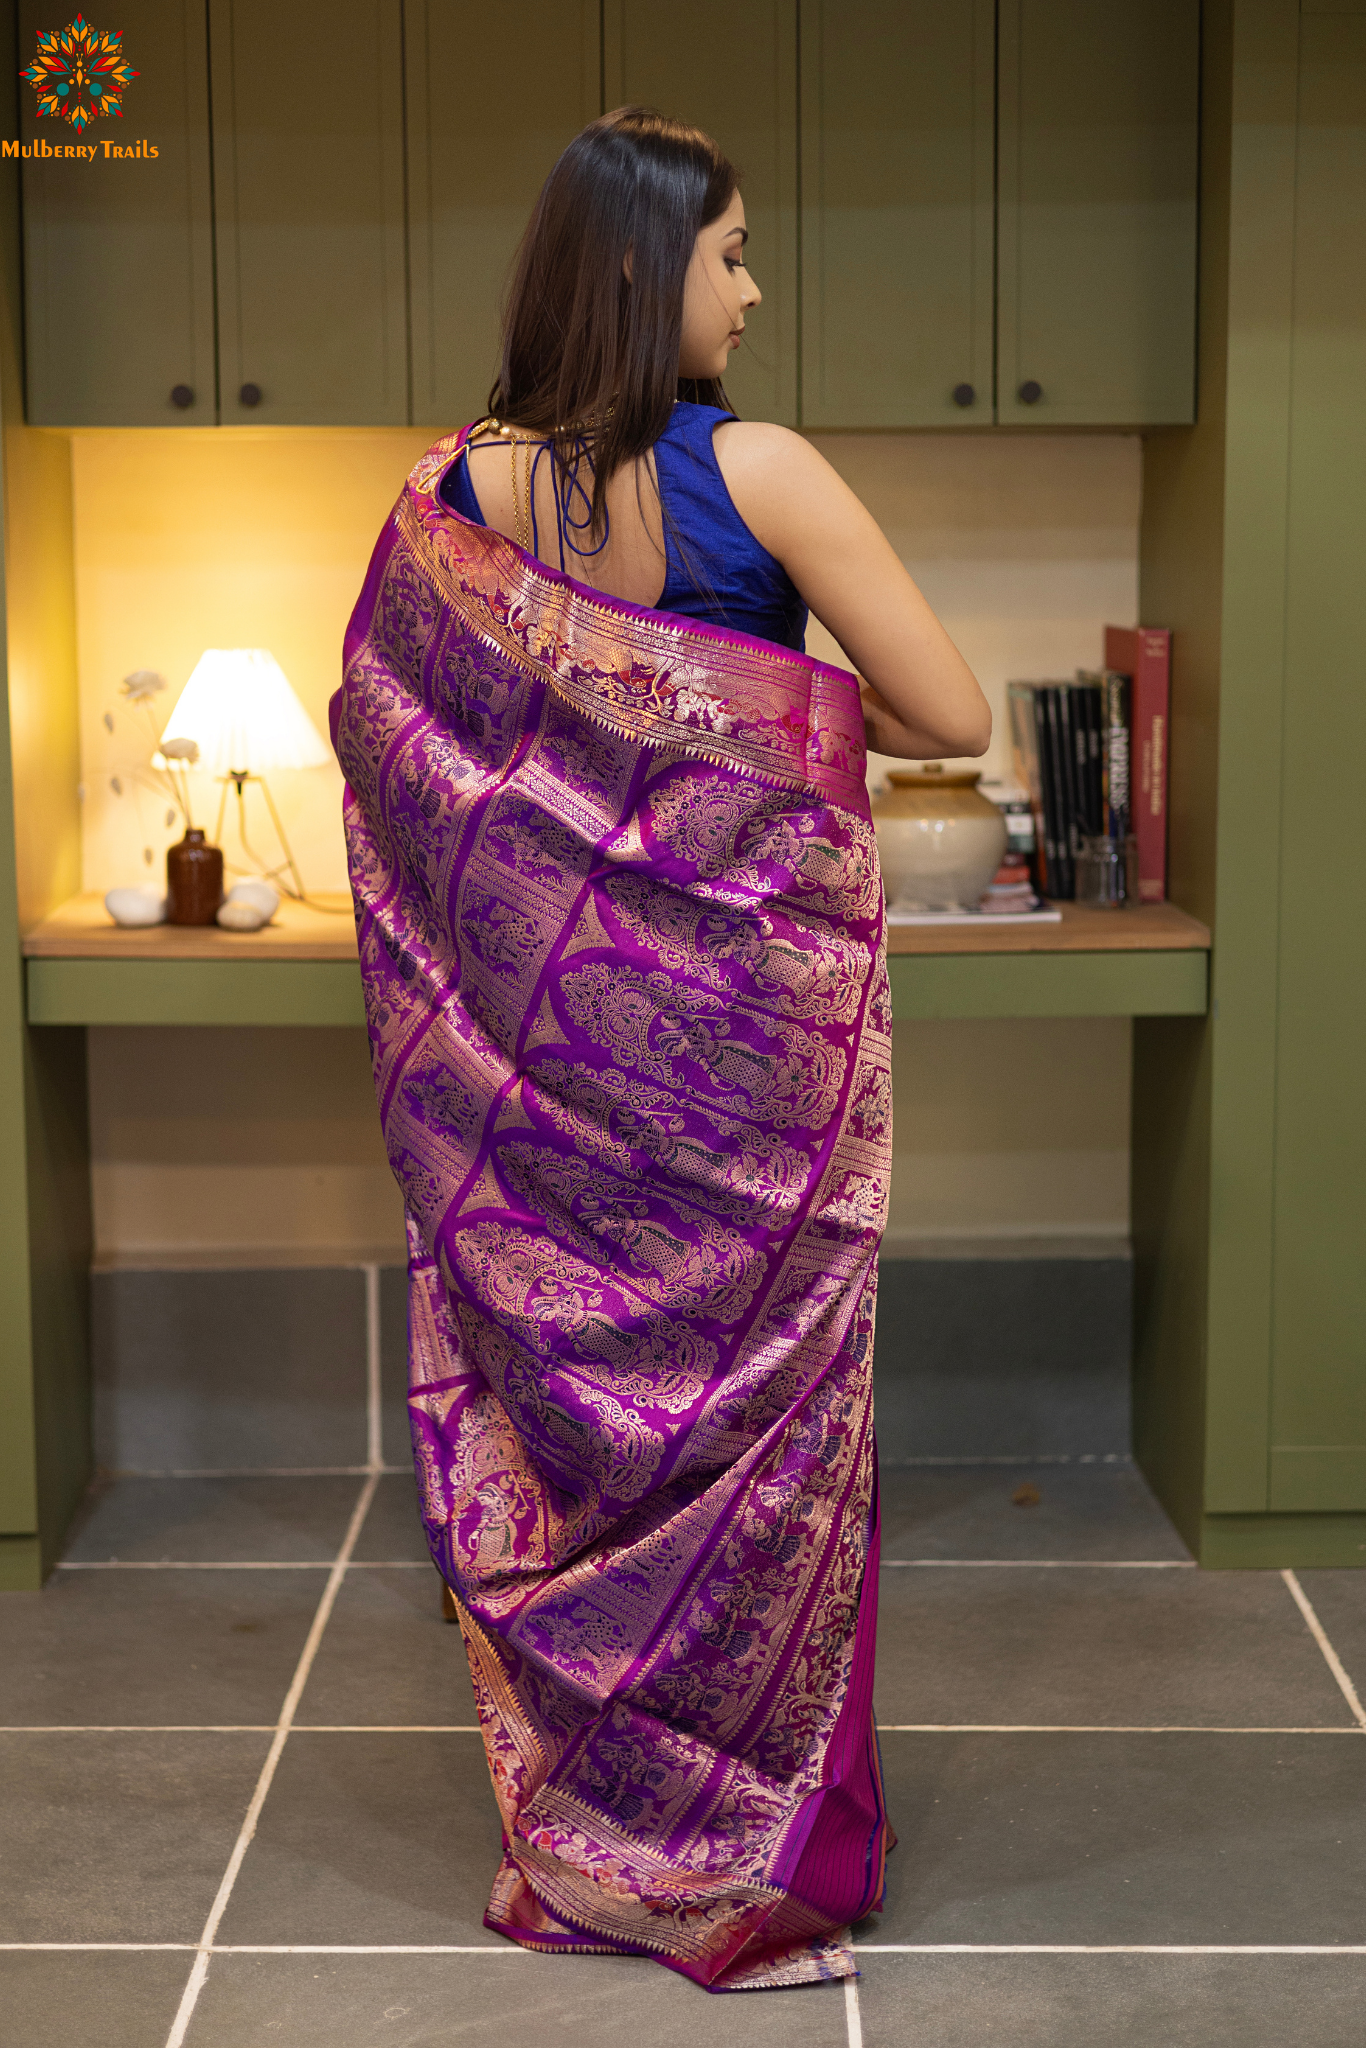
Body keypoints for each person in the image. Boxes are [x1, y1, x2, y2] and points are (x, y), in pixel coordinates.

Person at [333, 106, 989, 1995]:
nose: (753, 287)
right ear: (646, 273)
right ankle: (748, 1868)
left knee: (582, 1448)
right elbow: (939, 706)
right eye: (731, 254)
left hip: (537, 1076)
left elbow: (391, 757)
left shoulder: (445, 499)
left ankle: (583, 1857)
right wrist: (739, 724)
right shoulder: (756, 471)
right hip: (749, 1063)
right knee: (761, 1454)